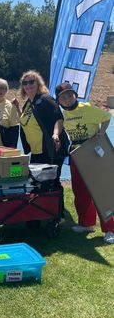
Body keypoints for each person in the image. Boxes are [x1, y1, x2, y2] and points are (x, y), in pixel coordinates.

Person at [55, 82, 114, 244]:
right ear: (58, 101)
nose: (66, 99)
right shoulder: (63, 114)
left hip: (92, 150)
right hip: (76, 153)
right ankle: (86, 223)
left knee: (101, 190)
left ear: (75, 95)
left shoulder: (86, 107)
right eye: (62, 97)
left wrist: (101, 133)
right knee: (80, 190)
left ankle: (111, 229)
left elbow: (107, 117)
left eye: (69, 95)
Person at [14, 70, 69, 221]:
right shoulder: (28, 103)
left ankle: (58, 214)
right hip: (37, 150)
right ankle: (44, 211)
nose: (28, 85)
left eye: (32, 82)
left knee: (52, 181)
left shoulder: (45, 99)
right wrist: (18, 108)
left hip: (51, 148)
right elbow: (26, 122)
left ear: (38, 83)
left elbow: (59, 118)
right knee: (37, 182)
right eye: (25, 83)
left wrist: (56, 134)